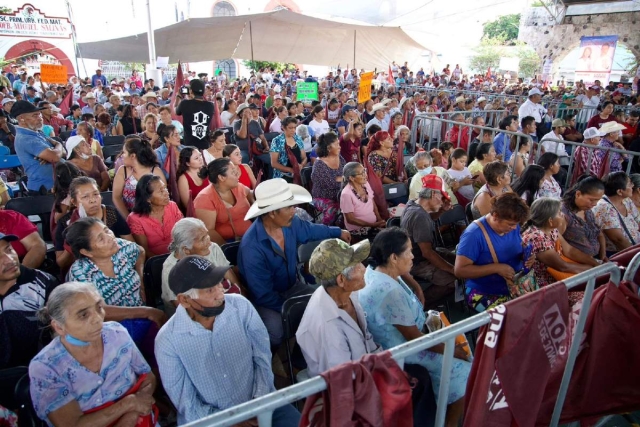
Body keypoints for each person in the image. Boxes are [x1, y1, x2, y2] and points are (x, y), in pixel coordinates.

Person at [155, 255, 300, 425]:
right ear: (184, 300)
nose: (220, 293)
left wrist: (258, 404)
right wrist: (231, 422)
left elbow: (262, 358)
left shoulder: (241, 306)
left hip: (262, 402)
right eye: (209, 290)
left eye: (219, 283)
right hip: (210, 420)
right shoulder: (168, 341)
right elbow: (186, 402)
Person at [359, 227, 471, 427]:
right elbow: (415, 339)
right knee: (464, 367)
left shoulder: (378, 270)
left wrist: (418, 288)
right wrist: (453, 352)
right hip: (402, 350)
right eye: (409, 251)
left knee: (458, 345)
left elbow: (403, 278)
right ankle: (448, 422)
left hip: (408, 336)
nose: (413, 256)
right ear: (394, 257)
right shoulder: (389, 294)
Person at [238, 178, 351, 346]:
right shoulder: (252, 248)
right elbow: (263, 295)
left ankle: (302, 353)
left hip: (292, 286)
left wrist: (337, 231)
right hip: (268, 300)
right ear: (272, 212)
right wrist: (297, 308)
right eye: (289, 207)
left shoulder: (291, 223)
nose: (294, 210)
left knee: (326, 306)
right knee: (275, 332)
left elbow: (311, 230)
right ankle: (274, 362)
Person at [29, 281, 157, 426]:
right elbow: (72, 424)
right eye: (83, 315)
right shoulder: (46, 366)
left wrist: (132, 414)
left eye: (99, 307)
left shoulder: (117, 333)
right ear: (59, 327)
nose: (98, 319)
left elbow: (148, 377)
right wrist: (127, 404)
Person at [296, 238, 379, 377]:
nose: (364, 269)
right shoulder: (328, 326)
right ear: (341, 280)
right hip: (349, 386)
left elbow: (368, 342)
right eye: (357, 266)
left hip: (364, 369)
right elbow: (344, 379)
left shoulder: (349, 295)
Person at [455, 192, 532, 312]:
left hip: (513, 284)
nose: (514, 228)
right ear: (495, 216)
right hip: (483, 292)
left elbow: (516, 247)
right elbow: (460, 271)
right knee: (517, 317)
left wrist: (526, 256)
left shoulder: (513, 225)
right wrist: (496, 268)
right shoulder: (473, 235)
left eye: (516, 225)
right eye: (511, 224)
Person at [161, 218, 241, 316]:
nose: (209, 242)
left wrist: (243, 298)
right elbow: (185, 309)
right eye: (202, 239)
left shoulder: (212, 248)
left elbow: (228, 273)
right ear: (186, 250)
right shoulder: (170, 269)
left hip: (217, 299)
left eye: (207, 234)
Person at [55, 177, 133, 272]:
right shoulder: (65, 223)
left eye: (96, 194)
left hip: (117, 266)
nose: (92, 200)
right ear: (74, 202)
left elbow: (132, 245)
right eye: (85, 197)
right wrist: (71, 239)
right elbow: (61, 263)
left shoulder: (111, 214)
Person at [66, 217, 147, 307]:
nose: (110, 237)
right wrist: (146, 312)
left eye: (107, 230)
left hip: (142, 314)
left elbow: (140, 251)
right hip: (112, 320)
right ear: (86, 252)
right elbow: (99, 310)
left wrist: (140, 277)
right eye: (101, 239)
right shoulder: (81, 272)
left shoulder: (121, 246)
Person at [401, 177, 457, 304]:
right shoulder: (419, 216)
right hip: (417, 261)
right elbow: (427, 253)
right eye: (441, 198)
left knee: (458, 261)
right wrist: (451, 270)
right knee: (452, 279)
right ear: (432, 194)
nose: (442, 201)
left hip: (417, 255)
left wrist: (442, 210)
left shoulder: (413, 204)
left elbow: (430, 219)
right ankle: (419, 304)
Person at [194, 158, 253, 245]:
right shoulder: (204, 198)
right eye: (233, 172)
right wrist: (228, 249)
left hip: (250, 236)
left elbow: (251, 194)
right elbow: (209, 231)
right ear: (221, 177)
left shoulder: (238, 187)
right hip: (229, 243)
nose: (237, 173)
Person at [12, 100, 63, 195]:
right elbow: (55, 157)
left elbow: (63, 153)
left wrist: (55, 151)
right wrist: (58, 145)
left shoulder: (37, 132)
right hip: (44, 189)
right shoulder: (26, 138)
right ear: (22, 118)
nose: (40, 118)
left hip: (55, 186)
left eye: (40, 114)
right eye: (35, 115)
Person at [127, 175, 183, 257]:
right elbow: (144, 251)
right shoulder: (135, 219)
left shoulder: (172, 206)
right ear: (148, 198)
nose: (166, 192)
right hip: (156, 261)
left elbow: (183, 234)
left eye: (165, 188)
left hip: (180, 254)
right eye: (161, 191)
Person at [112, 136, 166, 219]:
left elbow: (163, 197)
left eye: (124, 153)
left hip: (153, 216)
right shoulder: (123, 171)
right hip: (128, 215)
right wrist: (129, 219)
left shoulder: (155, 172)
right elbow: (116, 197)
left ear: (133, 156)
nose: (122, 155)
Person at [592, 171, 640, 254]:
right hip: (618, 253)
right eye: (629, 184)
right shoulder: (605, 207)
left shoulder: (626, 201)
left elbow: (638, 221)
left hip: (635, 248)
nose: (633, 186)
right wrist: (635, 256)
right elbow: (618, 240)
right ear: (620, 192)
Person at [562, 176, 606, 261]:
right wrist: (593, 264)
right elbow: (561, 247)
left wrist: (603, 256)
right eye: (592, 200)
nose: (595, 204)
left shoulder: (588, 211)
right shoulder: (563, 214)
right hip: (575, 264)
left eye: (597, 200)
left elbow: (599, 234)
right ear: (578, 194)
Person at [340, 162, 386, 241]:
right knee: (384, 239)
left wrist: (379, 220)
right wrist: (372, 225)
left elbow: (372, 203)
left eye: (364, 171)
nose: (365, 175)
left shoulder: (365, 184)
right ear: (352, 178)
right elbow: (350, 219)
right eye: (362, 173)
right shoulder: (346, 194)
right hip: (358, 230)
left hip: (373, 225)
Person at [311, 132, 345, 225]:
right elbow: (331, 183)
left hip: (340, 194)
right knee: (332, 208)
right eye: (337, 144)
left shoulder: (339, 158)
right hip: (322, 196)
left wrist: (343, 179)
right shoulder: (319, 165)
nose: (339, 146)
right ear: (328, 148)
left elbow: (346, 173)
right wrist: (345, 179)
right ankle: (326, 231)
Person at [175, 79, 214, 150]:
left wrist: (179, 97)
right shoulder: (210, 106)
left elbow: (176, 111)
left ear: (191, 91)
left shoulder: (184, 104)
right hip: (205, 145)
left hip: (189, 145)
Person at [270, 116, 308, 181]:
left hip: (297, 173)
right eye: (290, 128)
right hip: (282, 176)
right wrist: (290, 170)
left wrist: (302, 165)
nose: (293, 130)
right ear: (283, 128)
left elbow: (304, 158)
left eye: (295, 128)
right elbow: (274, 163)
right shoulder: (277, 141)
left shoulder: (298, 139)